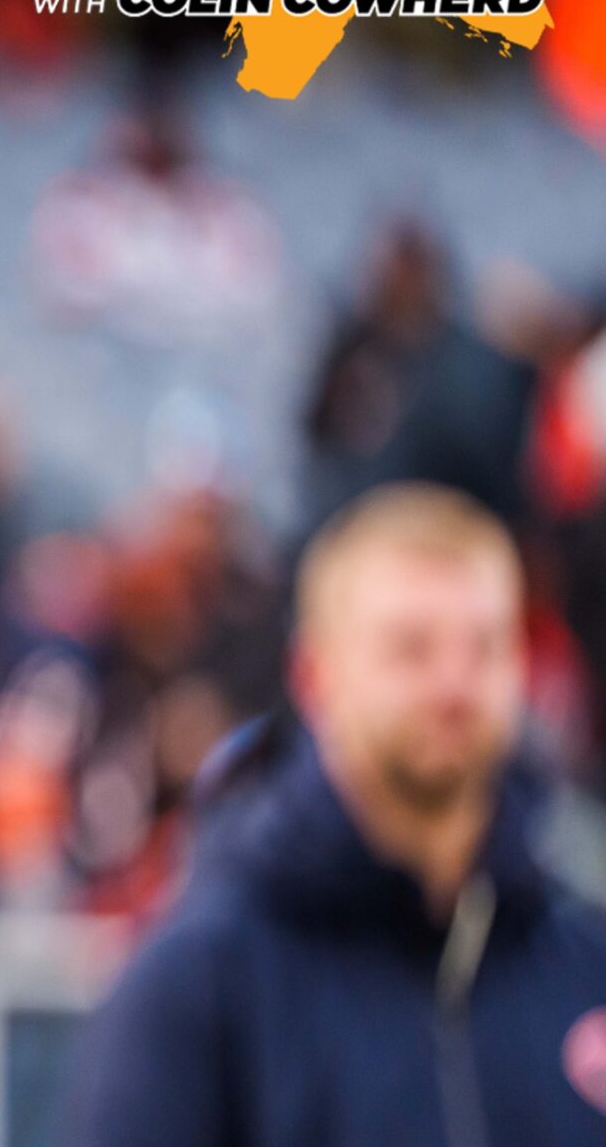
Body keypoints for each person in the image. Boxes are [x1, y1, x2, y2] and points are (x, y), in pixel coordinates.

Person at [65, 483, 606, 1147]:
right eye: (412, 648)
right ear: (314, 674)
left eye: (486, 645)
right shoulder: (205, 980)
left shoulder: (581, 963)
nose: (455, 683)